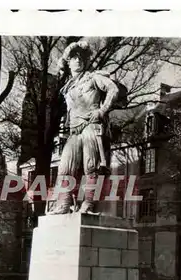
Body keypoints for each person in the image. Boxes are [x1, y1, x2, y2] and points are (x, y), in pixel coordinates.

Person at [48, 41, 122, 215]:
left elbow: (113, 89)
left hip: (91, 124)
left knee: (92, 167)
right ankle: (64, 203)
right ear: (68, 62)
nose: (78, 60)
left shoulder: (93, 77)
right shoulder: (67, 86)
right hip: (74, 129)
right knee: (65, 167)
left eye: (81, 57)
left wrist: (102, 110)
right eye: (74, 58)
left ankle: (88, 203)